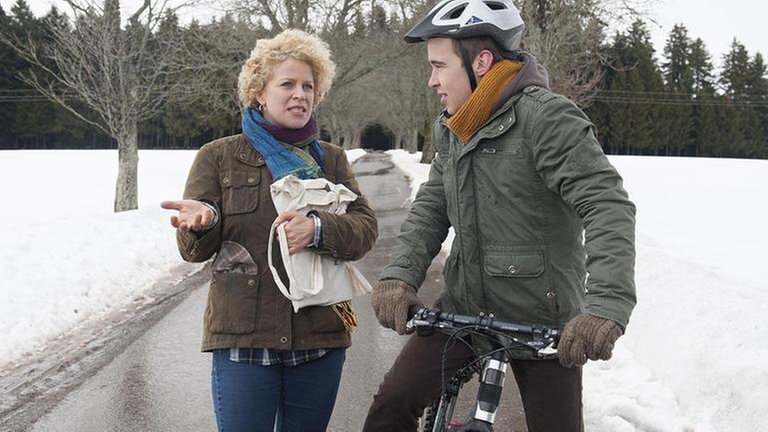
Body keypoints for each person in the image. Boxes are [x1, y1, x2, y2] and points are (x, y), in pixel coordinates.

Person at [363, 0, 636, 430]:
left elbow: (606, 204)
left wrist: (606, 305)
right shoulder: (453, 125)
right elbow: (433, 206)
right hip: (464, 311)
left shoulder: (546, 119)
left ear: (482, 62)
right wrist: (400, 276)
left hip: (543, 323)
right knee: (390, 406)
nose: (431, 80)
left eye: (439, 66)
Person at [160, 29, 377, 432]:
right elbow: (193, 252)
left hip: (319, 336)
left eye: (309, 86)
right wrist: (201, 224)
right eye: (288, 84)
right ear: (259, 92)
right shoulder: (219, 156)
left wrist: (317, 228)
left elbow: (364, 229)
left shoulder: (331, 160)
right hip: (243, 339)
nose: (301, 94)